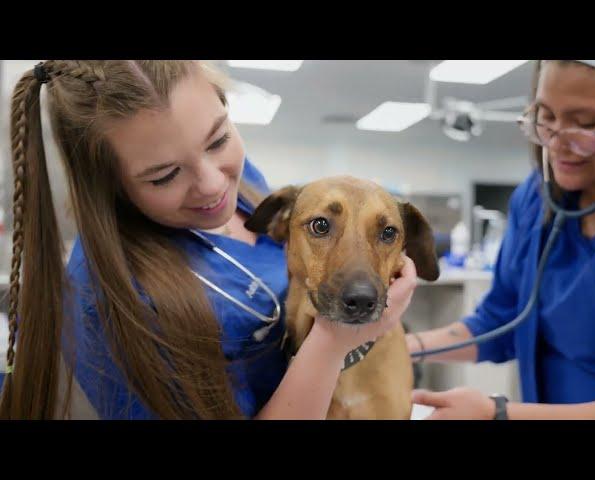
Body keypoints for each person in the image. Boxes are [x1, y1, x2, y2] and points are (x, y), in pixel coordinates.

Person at [0, 60, 417, 420]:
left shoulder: (243, 188)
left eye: (218, 139)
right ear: (108, 186)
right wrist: (333, 341)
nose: (214, 184)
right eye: (164, 175)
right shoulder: (108, 304)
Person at [408, 60, 595, 420]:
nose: (556, 142)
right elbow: (500, 321)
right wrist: (403, 348)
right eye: (545, 117)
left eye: (586, 124)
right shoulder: (535, 201)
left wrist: (497, 414)